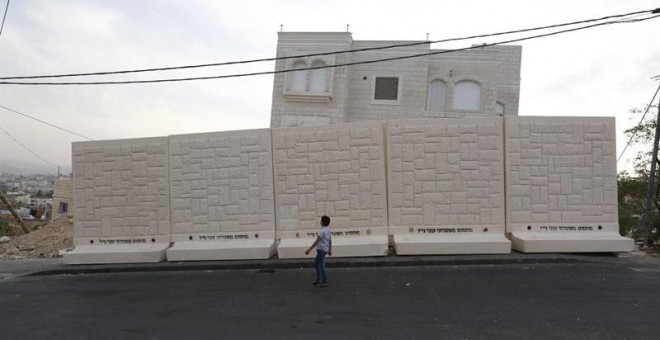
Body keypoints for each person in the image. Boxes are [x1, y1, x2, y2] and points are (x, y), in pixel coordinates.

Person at [305, 215, 332, 287]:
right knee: (317, 263)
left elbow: (317, 241)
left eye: (321, 220)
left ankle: (324, 281)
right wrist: (329, 250)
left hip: (321, 250)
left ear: (322, 222)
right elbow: (330, 240)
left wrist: (309, 249)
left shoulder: (322, 231)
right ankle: (319, 279)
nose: (320, 222)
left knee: (320, 265)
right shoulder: (328, 230)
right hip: (325, 249)